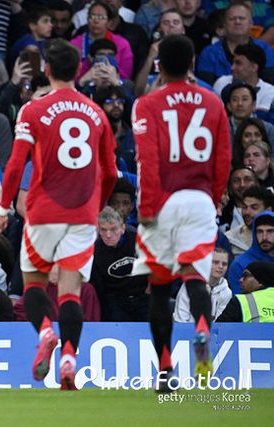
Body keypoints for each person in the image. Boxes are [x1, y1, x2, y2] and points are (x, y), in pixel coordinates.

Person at [0, 38, 118, 390]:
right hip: (82, 215)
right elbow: (110, 171)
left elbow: (15, 164)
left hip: (44, 211)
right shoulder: (96, 113)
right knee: (70, 293)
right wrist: (96, 206)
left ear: (46, 70)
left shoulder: (32, 110)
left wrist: (3, 209)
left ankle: (46, 332)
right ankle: (69, 358)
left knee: (34, 285)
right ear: (78, 70)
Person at [131, 35, 231, 392]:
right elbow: (223, 158)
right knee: (195, 277)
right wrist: (213, 198)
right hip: (200, 199)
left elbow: (147, 159)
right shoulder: (213, 102)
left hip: (163, 200)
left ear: (159, 66)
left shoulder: (148, 103)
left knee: (159, 289)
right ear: (192, 63)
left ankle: (165, 369)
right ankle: (202, 329)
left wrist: (146, 208)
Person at [91, 206, 148, 321]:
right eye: (103, 230)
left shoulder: (138, 239)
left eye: (113, 229)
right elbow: (98, 286)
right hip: (115, 297)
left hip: (143, 293)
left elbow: (157, 263)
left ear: (123, 228)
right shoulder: (96, 250)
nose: (108, 235)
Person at [196, 2, 274, 85]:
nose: (237, 21)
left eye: (242, 18)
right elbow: (205, 87)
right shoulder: (209, 52)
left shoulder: (264, 49)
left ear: (251, 23)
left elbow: (270, 82)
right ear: (224, 25)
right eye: (232, 19)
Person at [174, 247, 232, 322]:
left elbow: (220, 324)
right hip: (187, 328)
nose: (220, 266)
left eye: (224, 264)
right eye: (215, 262)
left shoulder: (227, 293)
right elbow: (180, 321)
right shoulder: (189, 286)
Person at [227, 211, 274, 294]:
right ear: (254, 233)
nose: (264, 237)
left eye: (270, 231)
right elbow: (239, 299)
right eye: (260, 231)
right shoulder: (239, 264)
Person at [225, 185, 272, 256]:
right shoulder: (229, 238)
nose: (247, 212)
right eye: (244, 207)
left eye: (254, 207)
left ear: (268, 210)